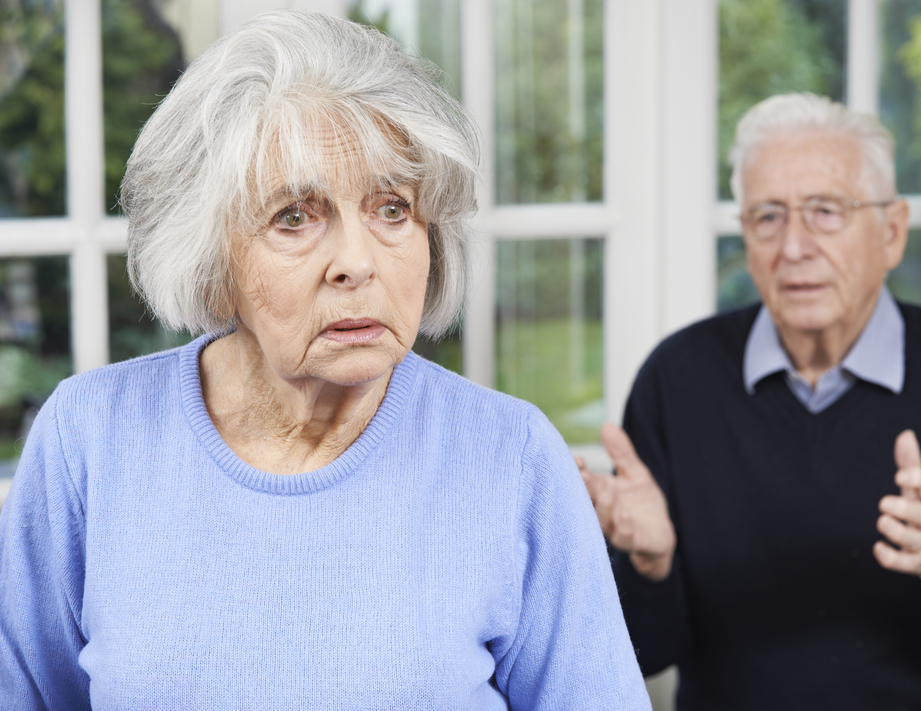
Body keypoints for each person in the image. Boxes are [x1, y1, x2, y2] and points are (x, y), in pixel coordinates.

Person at [0, 11, 650, 710]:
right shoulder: (89, 438)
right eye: (294, 217)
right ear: (211, 257)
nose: (357, 262)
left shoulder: (512, 457)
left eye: (392, 209)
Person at [579, 92, 921, 709]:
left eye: (825, 212)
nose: (794, 248)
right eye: (768, 218)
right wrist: (652, 565)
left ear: (891, 233)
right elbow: (642, 657)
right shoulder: (678, 380)